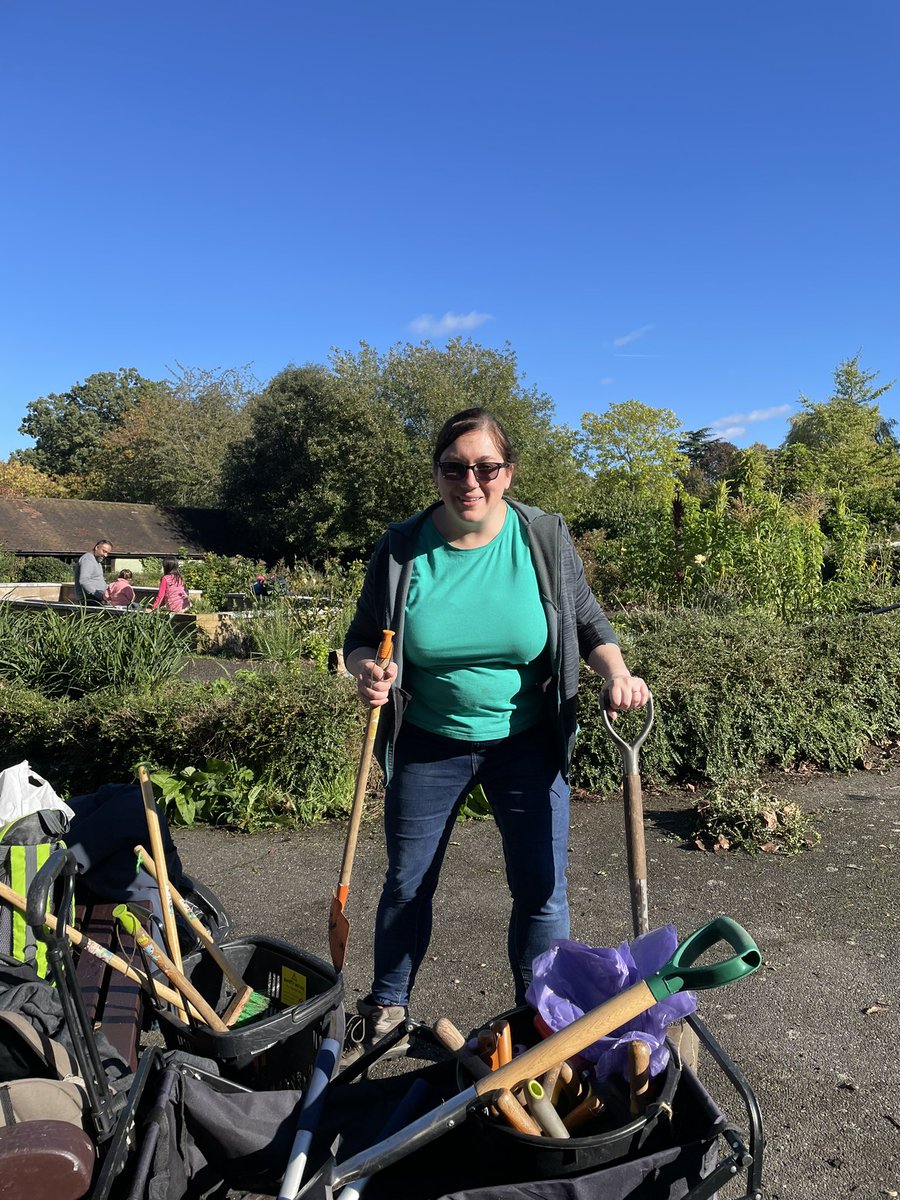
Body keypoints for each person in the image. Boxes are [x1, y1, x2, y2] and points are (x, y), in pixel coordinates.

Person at [342, 407, 649, 1059]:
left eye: (486, 467)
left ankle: (541, 1019)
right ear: (437, 473)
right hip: (429, 742)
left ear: (508, 472)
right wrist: (367, 669)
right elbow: (361, 638)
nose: (470, 482)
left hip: (528, 741)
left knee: (541, 890)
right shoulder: (401, 549)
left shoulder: (543, 537)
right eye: (454, 468)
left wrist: (617, 673)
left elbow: (588, 624)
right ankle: (388, 1008)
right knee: (407, 882)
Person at [73, 539, 112, 605]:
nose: (106, 555)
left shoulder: (97, 561)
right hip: (90, 599)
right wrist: (98, 595)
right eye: (104, 551)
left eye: (107, 553)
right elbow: (84, 581)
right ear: (97, 548)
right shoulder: (88, 559)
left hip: (97, 598)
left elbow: (98, 579)